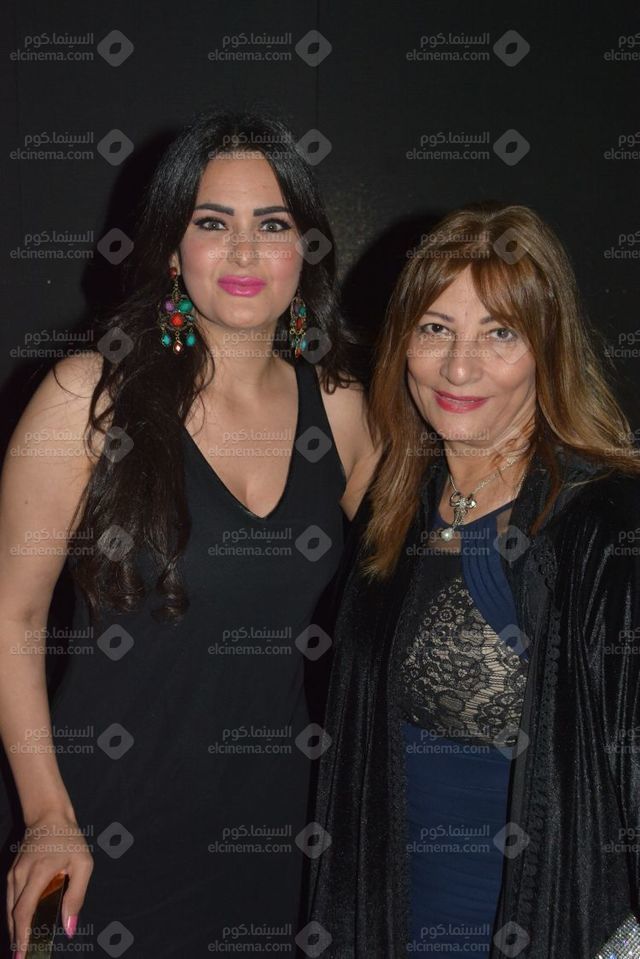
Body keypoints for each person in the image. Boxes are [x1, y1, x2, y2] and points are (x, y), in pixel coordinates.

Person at [0, 110, 379, 958]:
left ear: (305, 249)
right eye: (213, 223)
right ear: (173, 250)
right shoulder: (87, 399)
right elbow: (9, 615)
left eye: (271, 225)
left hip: (281, 851)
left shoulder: (344, 409)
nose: (244, 252)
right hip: (103, 841)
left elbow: (415, 575)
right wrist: (47, 814)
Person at [307, 202, 640, 957]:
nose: (459, 368)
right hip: (393, 920)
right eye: (435, 328)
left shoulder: (605, 522)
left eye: (500, 333)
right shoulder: (397, 507)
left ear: (547, 348)